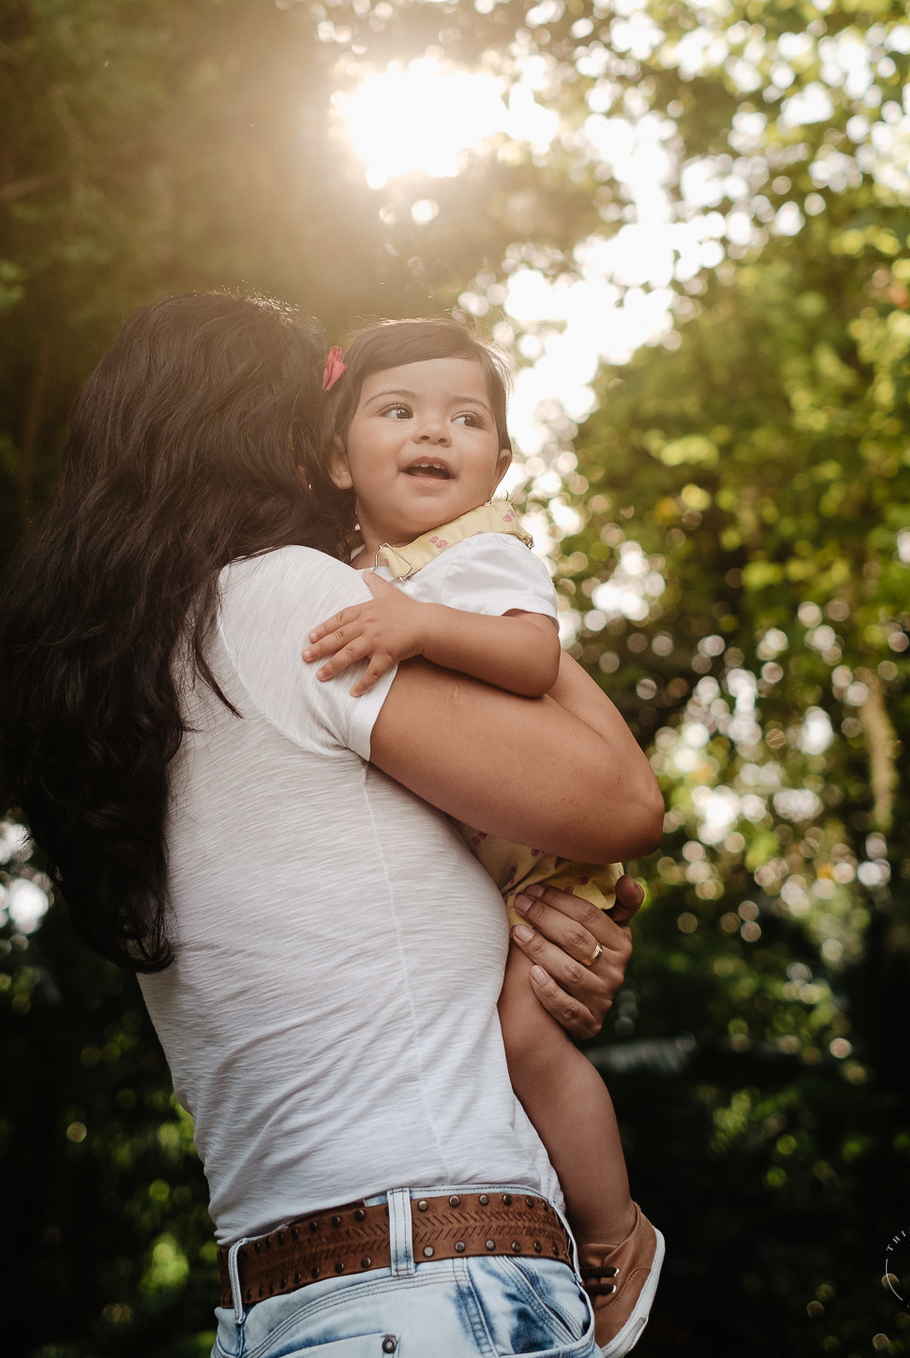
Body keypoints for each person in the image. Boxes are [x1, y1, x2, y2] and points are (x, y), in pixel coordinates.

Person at [0, 290, 664, 1358]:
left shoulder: (123, 687)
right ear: (287, 445)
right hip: (438, 1281)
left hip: (283, 1302)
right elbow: (622, 800)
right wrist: (480, 572)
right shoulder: (296, 604)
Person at [302, 319, 664, 1355]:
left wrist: (416, 625)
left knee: (518, 1036)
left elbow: (531, 655)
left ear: (497, 467)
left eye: (466, 420)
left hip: (537, 858)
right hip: (485, 845)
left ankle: (613, 1234)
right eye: (398, 411)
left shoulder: (477, 553)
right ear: (337, 457)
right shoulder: (362, 564)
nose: (434, 433)